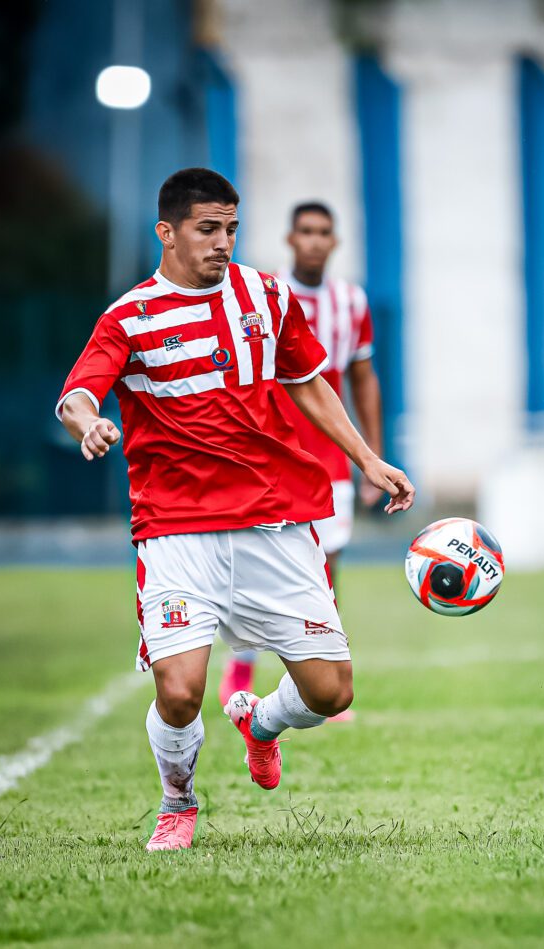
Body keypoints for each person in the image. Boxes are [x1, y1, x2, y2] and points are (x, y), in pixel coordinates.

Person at [55, 168, 414, 852]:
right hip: (176, 530)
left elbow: (309, 385)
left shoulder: (267, 296)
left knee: (332, 691)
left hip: (273, 523)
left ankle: (260, 725)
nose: (223, 243)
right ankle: (178, 800)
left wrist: (368, 459)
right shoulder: (129, 316)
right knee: (182, 688)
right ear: (167, 232)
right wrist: (87, 423)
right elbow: (79, 393)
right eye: (207, 230)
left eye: (231, 229)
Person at [217, 201, 383, 711]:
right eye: (305, 231)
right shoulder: (261, 296)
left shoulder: (350, 302)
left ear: (334, 242)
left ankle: (321, 675)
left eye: (323, 233)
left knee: (324, 569)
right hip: (270, 455)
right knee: (249, 564)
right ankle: (241, 665)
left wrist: (371, 458)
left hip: (329, 459)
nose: (314, 240)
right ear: (291, 239)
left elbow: (361, 380)